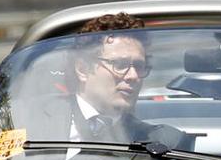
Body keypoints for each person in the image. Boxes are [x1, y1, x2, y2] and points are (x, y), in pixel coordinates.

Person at [65, 12, 185, 148]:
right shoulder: (44, 117)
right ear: (82, 69)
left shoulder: (164, 142)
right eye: (120, 65)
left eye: (139, 66)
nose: (133, 76)